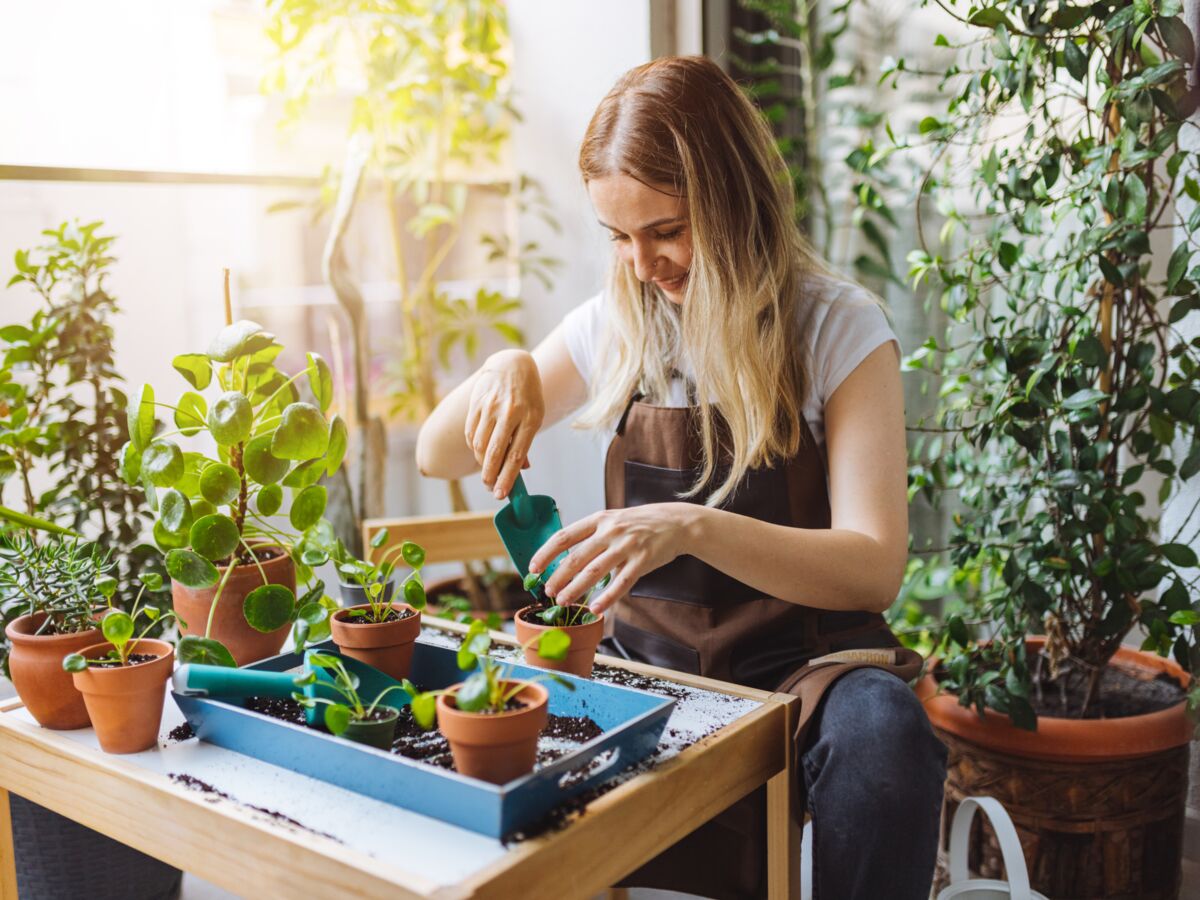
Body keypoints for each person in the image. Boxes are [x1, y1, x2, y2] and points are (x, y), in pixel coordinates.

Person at [416, 55, 947, 900]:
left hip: (805, 666)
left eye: (667, 230)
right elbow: (435, 454)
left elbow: (874, 563)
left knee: (887, 740)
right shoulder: (619, 325)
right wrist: (505, 367)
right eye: (619, 237)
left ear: (736, 198)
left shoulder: (837, 328)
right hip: (644, 661)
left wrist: (691, 525)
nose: (643, 264)